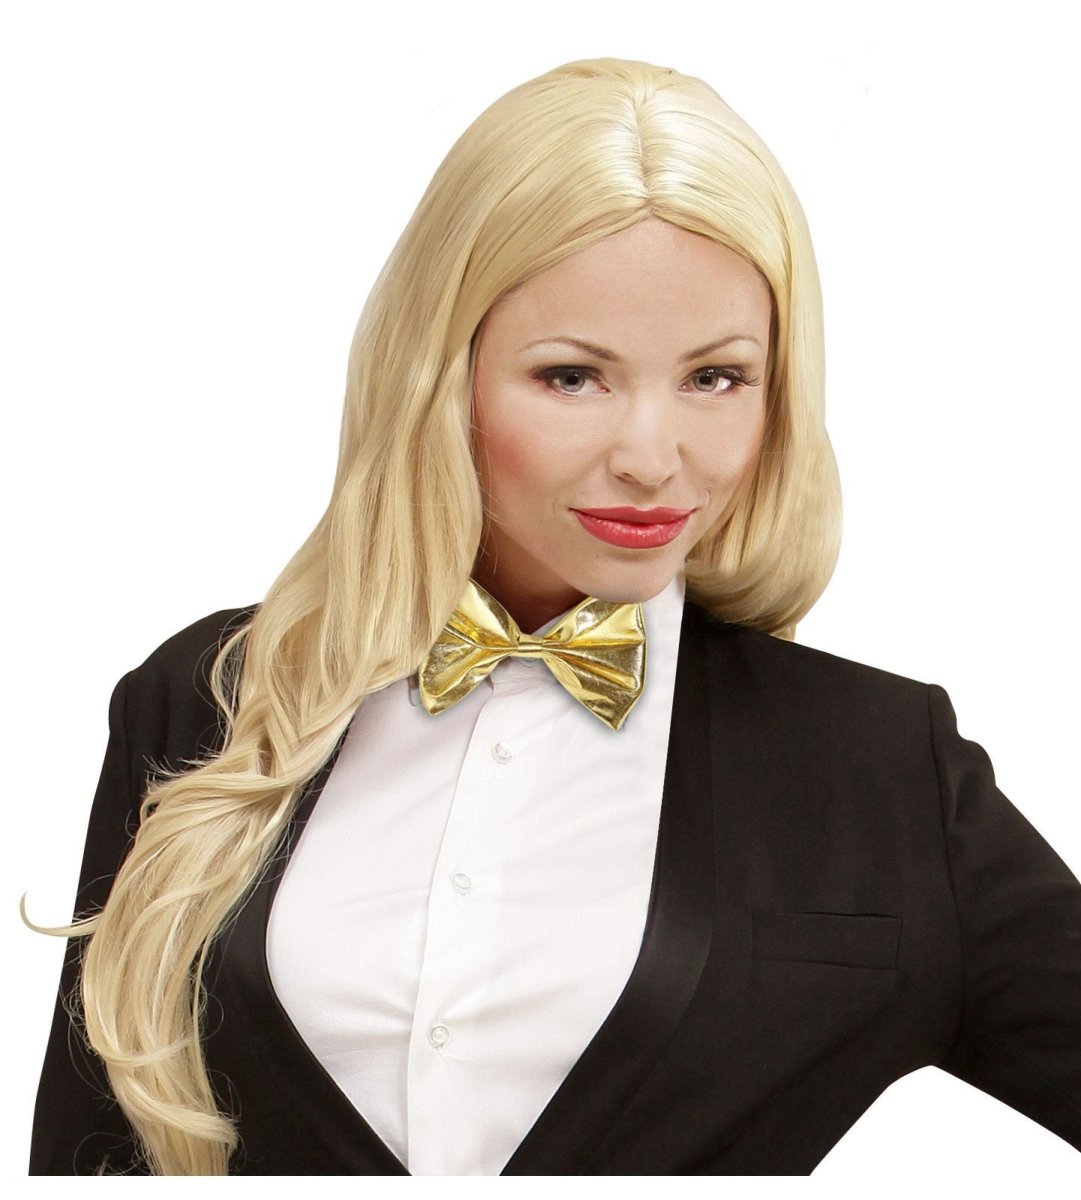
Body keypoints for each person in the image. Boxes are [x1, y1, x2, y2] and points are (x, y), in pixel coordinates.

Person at [28, 57, 1081, 1176]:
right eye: (573, 376)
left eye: (716, 378)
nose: (651, 458)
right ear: (441, 374)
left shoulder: (878, 763)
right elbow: (88, 1152)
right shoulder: (212, 693)